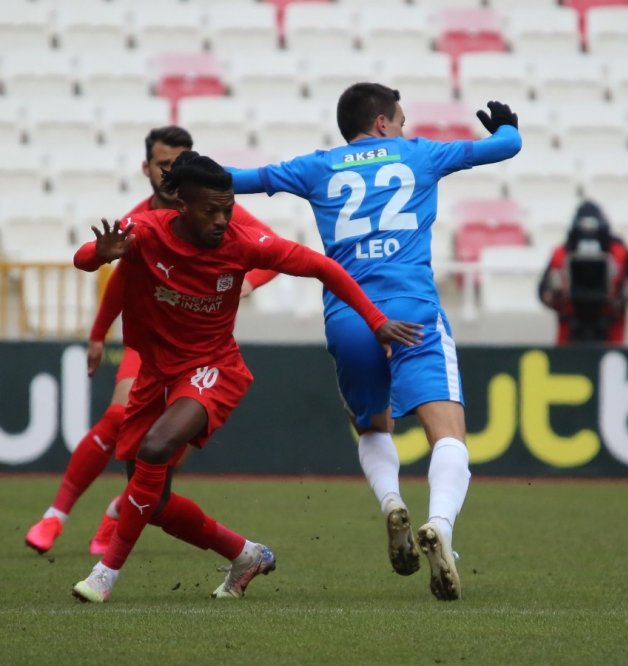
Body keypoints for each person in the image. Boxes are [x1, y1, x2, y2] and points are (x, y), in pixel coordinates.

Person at [70, 151, 422, 603]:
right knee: (154, 503)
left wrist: (375, 321)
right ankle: (246, 554)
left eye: (228, 209)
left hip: (211, 369)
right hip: (155, 375)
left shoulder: (246, 243)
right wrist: (99, 254)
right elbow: (83, 258)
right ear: (181, 206)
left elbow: (324, 267)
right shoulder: (147, 232)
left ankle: (105, 574)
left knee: (157, 448)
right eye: (210, 210)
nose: (221, 219)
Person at [226, 83, 522, 601]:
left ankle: (391, 503)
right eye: (400, 119)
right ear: (383, 123)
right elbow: (505, 148)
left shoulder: (317, 166)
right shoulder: (419, 153)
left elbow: (240, 181)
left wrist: (188, 174)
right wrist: (507, 126)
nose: (404, 128)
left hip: (349, 317)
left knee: (371, 425)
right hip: (413, 312)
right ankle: (441, 529)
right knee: (449, 436)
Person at [25, 126, 279, 557]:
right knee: (120, 417)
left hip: (200, 351)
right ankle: (55, 515)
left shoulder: (216, 211)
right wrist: (97, 334)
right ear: (147, 167)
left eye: (180, 163)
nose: (171, 171)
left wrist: (248, 283)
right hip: (149, 348)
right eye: (164, 164)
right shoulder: (140, 221)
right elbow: (119, 282)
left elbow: (272, 252)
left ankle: (117, 515)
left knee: (164, 448)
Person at [538, 199, 628, 345]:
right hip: (570, 332)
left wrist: (626, 291)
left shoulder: (619, 253)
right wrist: (554, 291)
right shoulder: (561, 255)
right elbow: (542, 292)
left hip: (609, 330)